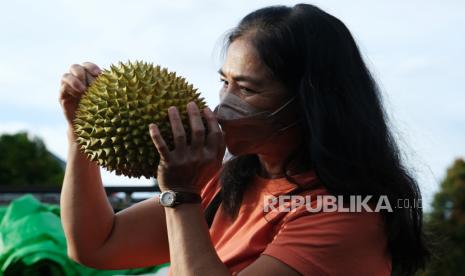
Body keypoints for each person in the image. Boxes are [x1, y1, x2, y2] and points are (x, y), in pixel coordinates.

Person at [59, 3, 430, 276]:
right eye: (225, 82)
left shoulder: (347, 215)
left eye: (247, 89)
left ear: (309, 103)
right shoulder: (222, 183)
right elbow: (96, 245)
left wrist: (182, 197)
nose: (223, 106)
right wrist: (79, 130)